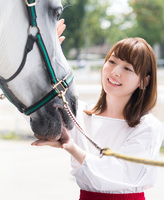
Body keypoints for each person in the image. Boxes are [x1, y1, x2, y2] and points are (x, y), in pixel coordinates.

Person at [32, 19, 164, 200]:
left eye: (127, 68)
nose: (115, 71)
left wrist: (73, 149)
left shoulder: (148, 127)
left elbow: (122, 174)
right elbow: (39, 106)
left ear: (144, 81)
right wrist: (45, 53)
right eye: (112, 61)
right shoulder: (81, 113)